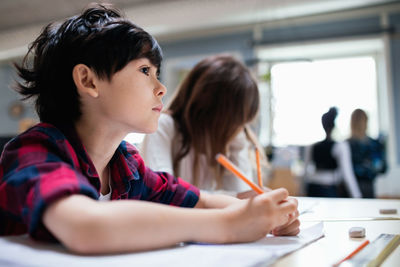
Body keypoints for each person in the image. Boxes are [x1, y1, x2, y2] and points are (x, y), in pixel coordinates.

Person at [0, 4, 299, 254]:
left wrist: (267, 214)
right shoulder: (34, 151)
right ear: (89, 81)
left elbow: (203, 201)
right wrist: (229, 225)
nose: (161, 88)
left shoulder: (127, 166)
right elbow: (87, 226)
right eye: (145, 71)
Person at [141, 55, 268, 198]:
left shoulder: (229, 136)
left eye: (240, 123)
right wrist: (237, 197)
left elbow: (241, 192)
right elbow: (164, 194)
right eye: (232, 122)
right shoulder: (164, 125)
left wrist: (237, 141)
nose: (235, 128)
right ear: (206, 108)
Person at [303, 107, 362, 198]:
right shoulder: (341, 146)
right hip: (329, 189)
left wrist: (302, 192)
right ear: (334, 125)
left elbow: (305, 171)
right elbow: (347, 174)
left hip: (312, 188)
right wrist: (357, 196)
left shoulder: (311, 146)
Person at [348, 109, 387, 198]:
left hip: (366, 186)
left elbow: (384, 168)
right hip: (354, 187)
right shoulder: (347, 144)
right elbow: (382, 167)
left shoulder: (374, 144)